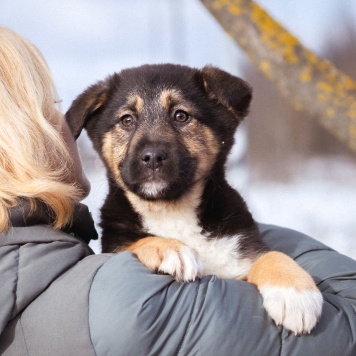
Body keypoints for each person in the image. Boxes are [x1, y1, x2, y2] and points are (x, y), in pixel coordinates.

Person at [0, 26, 355, 356]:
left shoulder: (55, 254)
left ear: (224, 121)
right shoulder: (113, 282)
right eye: (127, 120)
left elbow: (251, 261)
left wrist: (274, 263)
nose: (152, 147)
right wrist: (145, 248)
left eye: (181, 116)